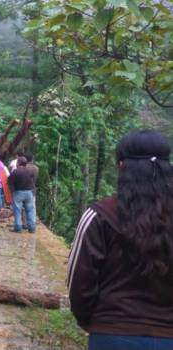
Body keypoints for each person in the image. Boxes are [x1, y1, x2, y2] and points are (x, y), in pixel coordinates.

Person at [68, 130, 173, 350]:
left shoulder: (99, 215)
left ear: (121, 167)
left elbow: (78, 283)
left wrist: (94, 323)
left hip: (112, 335)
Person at [7, 157, 36, 233]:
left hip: (18, 193)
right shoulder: (30, 171)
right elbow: (32, 181)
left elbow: (9, 182)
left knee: (17, 211)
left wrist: (12, 192)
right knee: (30, 210)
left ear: (18, 163)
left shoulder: (15, 172)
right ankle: (32, 228)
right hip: (29, 193)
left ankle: (18, 228)